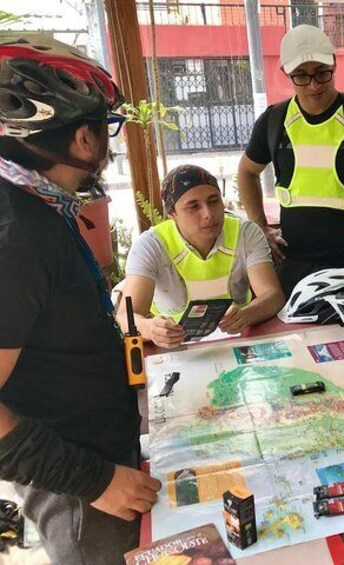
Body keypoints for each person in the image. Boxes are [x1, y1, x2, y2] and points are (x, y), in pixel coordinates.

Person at [0, 33, 160, 563]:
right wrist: (94, 482)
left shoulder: (39, 207)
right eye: (105, 127)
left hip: (100, 456)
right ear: (84, 139)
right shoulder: (17, 234)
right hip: (81, 488)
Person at [238, 25, 344, 297]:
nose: (313, 85)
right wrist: (261, 227)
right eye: (301, 76)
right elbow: (246, 173)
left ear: (334, 64)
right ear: (286, 72)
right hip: (292, 266)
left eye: (322, 73)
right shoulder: (274, 121)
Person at [118, 165, 285, 348]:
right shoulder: (151, 245)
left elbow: (273, 296)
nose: (208, 214)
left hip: (237, 341)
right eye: (193, 206)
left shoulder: (246, 233)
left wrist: (245, 315)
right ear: (172, 213)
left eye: (214, 201)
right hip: (173, 349)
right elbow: (125, 317)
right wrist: (151, 329)